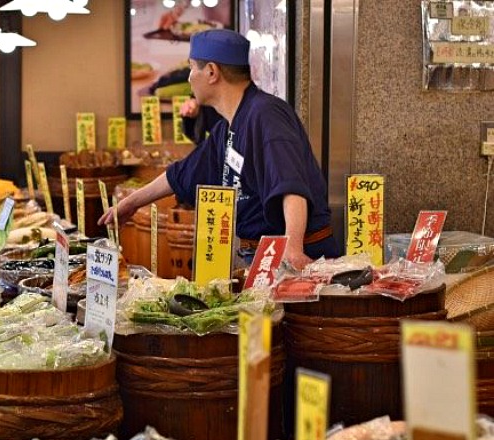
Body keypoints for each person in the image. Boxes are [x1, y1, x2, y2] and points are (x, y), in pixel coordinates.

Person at [100, 29, 338, 270]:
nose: (190, 78)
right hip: (260, 256)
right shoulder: (228, 125)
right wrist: (131, 203)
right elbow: (181, 174)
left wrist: (293, 246)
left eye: (193, 68)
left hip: (299, 257)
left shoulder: (265, 115)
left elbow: (291, 185)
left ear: (212, 72)